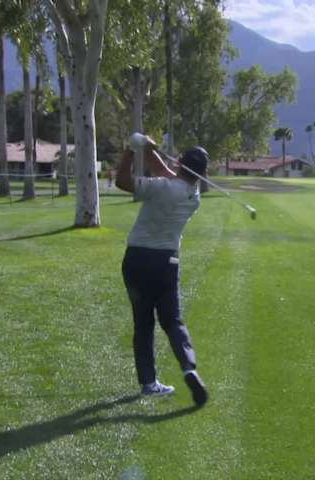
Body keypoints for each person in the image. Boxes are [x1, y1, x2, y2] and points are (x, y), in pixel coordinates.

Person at [115, 136, 209, 406]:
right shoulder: (194, 196)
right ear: (202, 174)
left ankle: (148, 383)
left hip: (136, 260)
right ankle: (189, 367)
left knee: (143, 324)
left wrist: (131, 150)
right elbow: (164, 172)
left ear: (180, 164)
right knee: (173, 321)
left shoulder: (159, 188)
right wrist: (149, 149)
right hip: (166, 263)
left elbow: (123, 181)